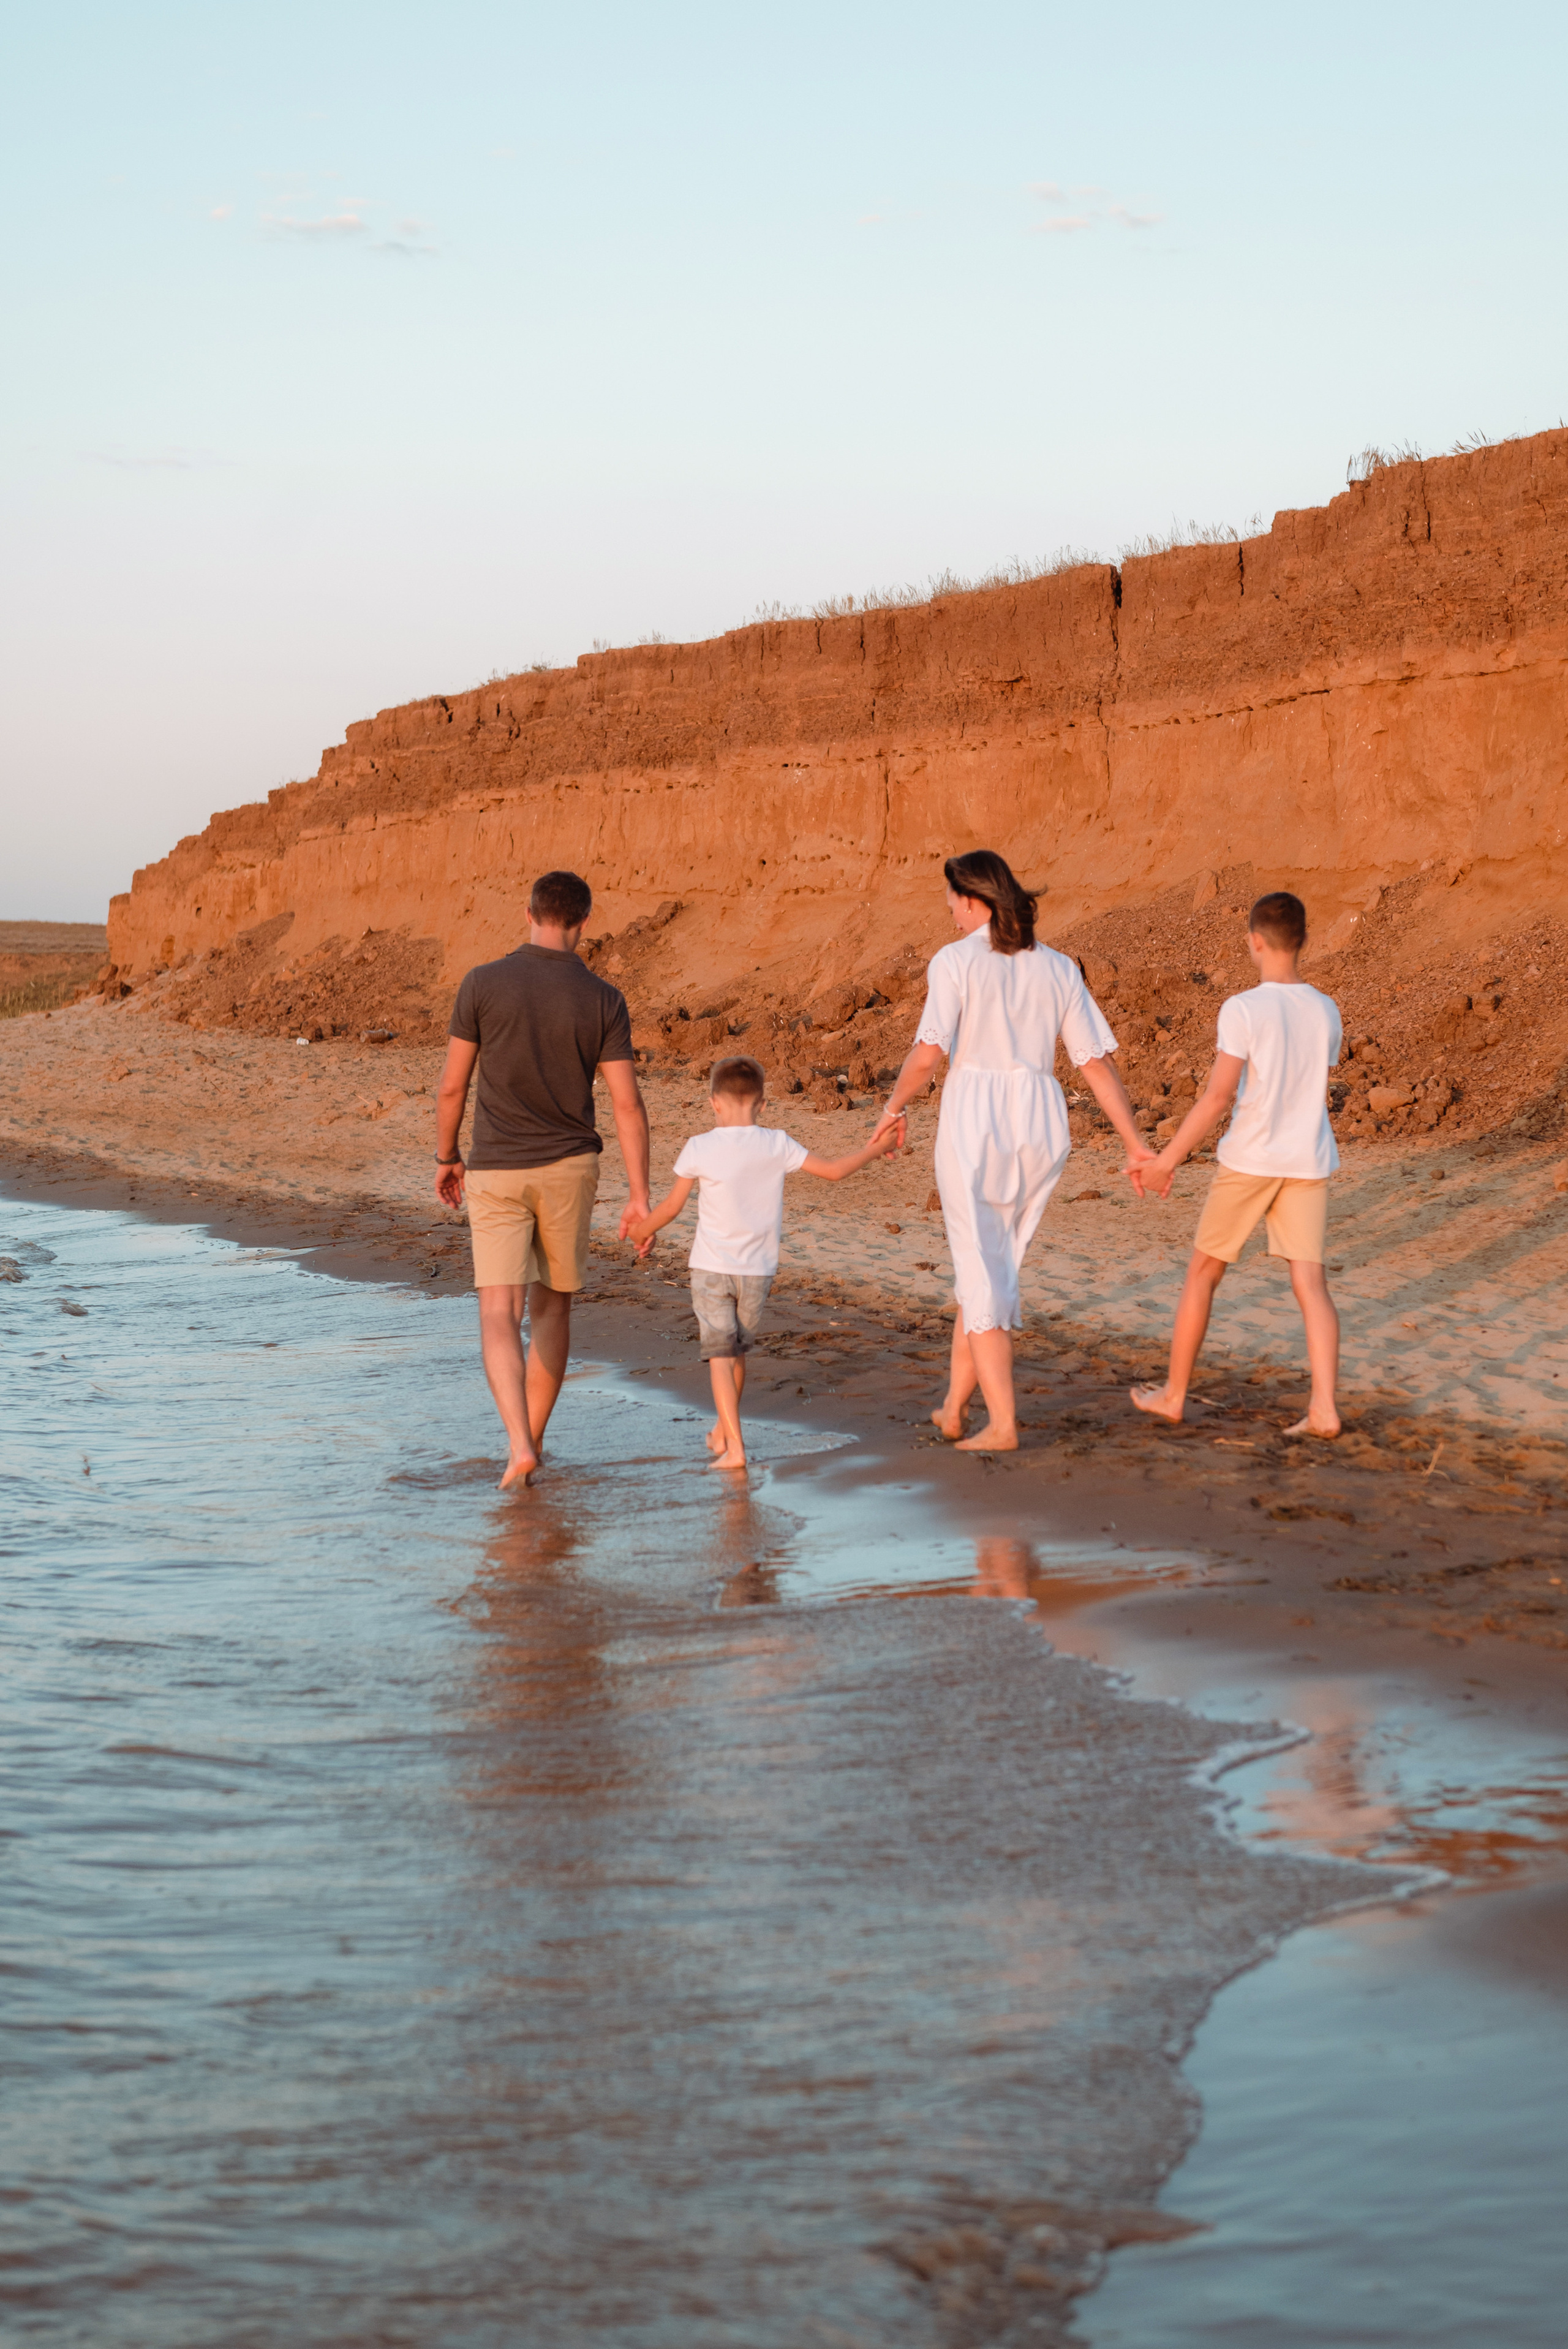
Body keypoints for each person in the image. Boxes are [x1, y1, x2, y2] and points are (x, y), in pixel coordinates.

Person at [871, 850, 1151, 1451]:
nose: (947, 910)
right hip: (1041, 1121)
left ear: (972, 900)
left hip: (977, 1117)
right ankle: (952, 1408)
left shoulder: (955, 962)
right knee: (988, 1269)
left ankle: (1001, 1425)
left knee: (982, 1272)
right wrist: (1134, 1144)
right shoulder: (1056, 966)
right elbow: (1094, 1064)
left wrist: (892, 1111)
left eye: (950, 898)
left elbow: (928, 1055)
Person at [434, 869, 651, 1488]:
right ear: (583, 923)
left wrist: (446, 1155)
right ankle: (534, 1443)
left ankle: (518, 1446)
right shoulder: (604, 999)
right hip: (569, 1168)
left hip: (497, 1167)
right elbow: (627, 1105)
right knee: (551, 1310)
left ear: (526, 912)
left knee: (498, 1312)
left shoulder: (481, 984)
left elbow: (453, 1085)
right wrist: (639, 1196)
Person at [1129, 890, 1343, 1438]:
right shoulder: (1325, 1009)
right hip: (1309, 1159)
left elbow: (1218, 1097)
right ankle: (1323, 1409)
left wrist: (1166, 1161)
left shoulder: (1243, 1009)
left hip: (1252, 1158)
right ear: (1304, 941)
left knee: (1203, 1274)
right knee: (1311, 1284)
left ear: (1254, 941)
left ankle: (1174, 1395)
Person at [628, 1054, 905, 1470]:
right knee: (735, 1352)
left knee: (722, 1355)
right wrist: (876, 1148)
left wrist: (641, 1230)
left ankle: (736, 1449)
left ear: (714, 1103)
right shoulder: (777, 1143)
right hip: (758, 1271)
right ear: (761, 1104)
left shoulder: (700, 1147)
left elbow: (671, 1207)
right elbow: (832, 1172)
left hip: (711, 1267)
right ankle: (725, 1430)